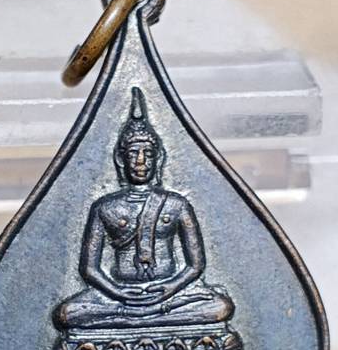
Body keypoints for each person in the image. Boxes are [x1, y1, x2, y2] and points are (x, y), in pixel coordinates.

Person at [56, 87, 234, 330]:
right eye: (133, 154)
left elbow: (195, 265)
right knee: (66, 314)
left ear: (158, 159)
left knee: (221, 307)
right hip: (119, 294)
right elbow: (89, 269)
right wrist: (117, 293)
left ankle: (132, 319)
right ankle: (140, 316)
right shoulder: (104, 207)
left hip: (171, 293)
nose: (140, 161)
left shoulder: (177, 204)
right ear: (121, 159)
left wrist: (170, 288)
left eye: (147, 154)